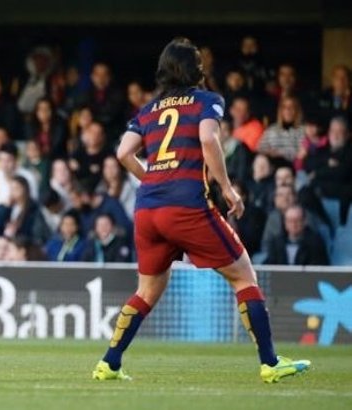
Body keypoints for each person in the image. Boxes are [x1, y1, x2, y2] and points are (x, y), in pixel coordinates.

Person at [91, 38, 310, 383]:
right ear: (195, 70)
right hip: (186, 206)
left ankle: (109, 363)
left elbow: (122, 153)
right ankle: (270, 362)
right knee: (243, 276)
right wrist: (226, 188)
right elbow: (208, 139)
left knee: (146, 291)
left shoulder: (149, 109)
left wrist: (153, 178)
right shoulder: (208, 101)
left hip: (148, 209)